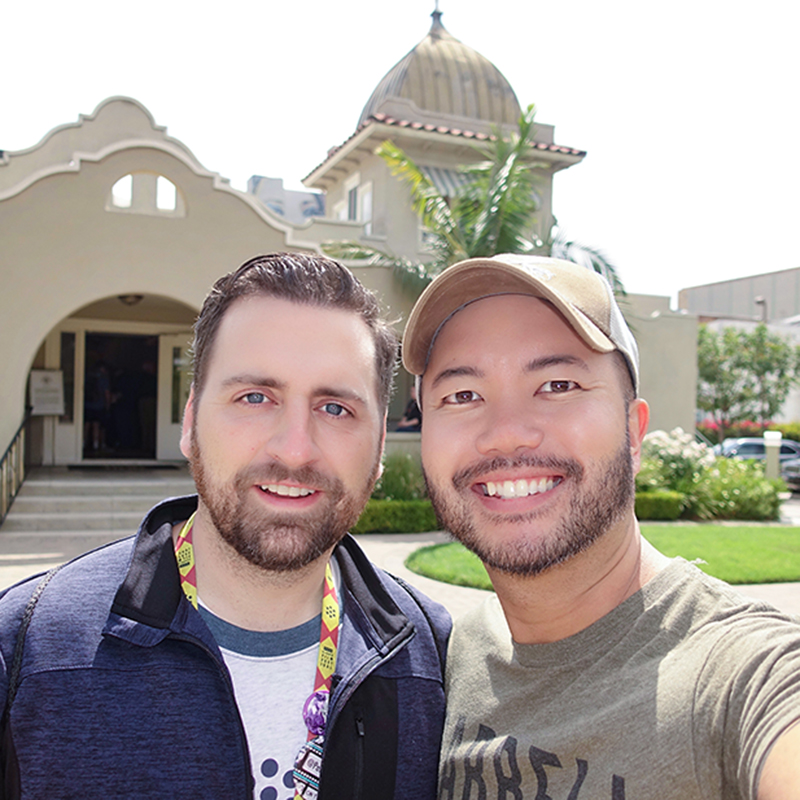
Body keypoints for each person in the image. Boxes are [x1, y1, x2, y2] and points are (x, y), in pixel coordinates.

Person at [0, 253, 451, 799]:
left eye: (335, 408)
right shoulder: (28, 647)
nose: (294, 449)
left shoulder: (433, 660)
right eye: (255, 398)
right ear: (191, 423)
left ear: (379, 448)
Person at [401, 254, 800, 800]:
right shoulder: (445, 662)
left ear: (634, 435)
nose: (507, 434)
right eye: (463, 395)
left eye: (558, 385)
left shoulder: (738, 674)